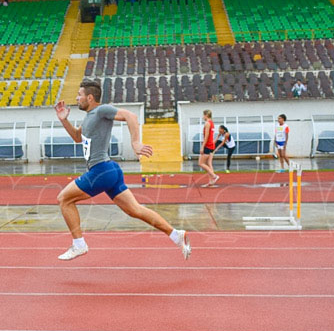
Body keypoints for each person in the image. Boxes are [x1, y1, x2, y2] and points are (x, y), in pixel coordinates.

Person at [53, 82, 191, 261]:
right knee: (135, 210)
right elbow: (78, 137)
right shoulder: (89, 117)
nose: (76, 98)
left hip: (101, 170)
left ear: (90, 97)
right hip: (110, 171)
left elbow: (131, 116)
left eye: (79, 95)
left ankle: (79, 244)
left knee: (64, 199)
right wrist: (64, 120)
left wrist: (136, 143)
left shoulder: (102, 110)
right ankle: (175, 235)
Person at [197, 109, 219, 187]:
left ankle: (214, 176)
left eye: (203, 115)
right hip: (211, 145)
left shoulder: (207, 123)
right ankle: (211, 182)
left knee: (201, 163)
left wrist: (202, 146)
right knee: (209, 163)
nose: (203, 117)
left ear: (206, 115)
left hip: (208, 145)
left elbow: (206, 136)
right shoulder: (212, 123)